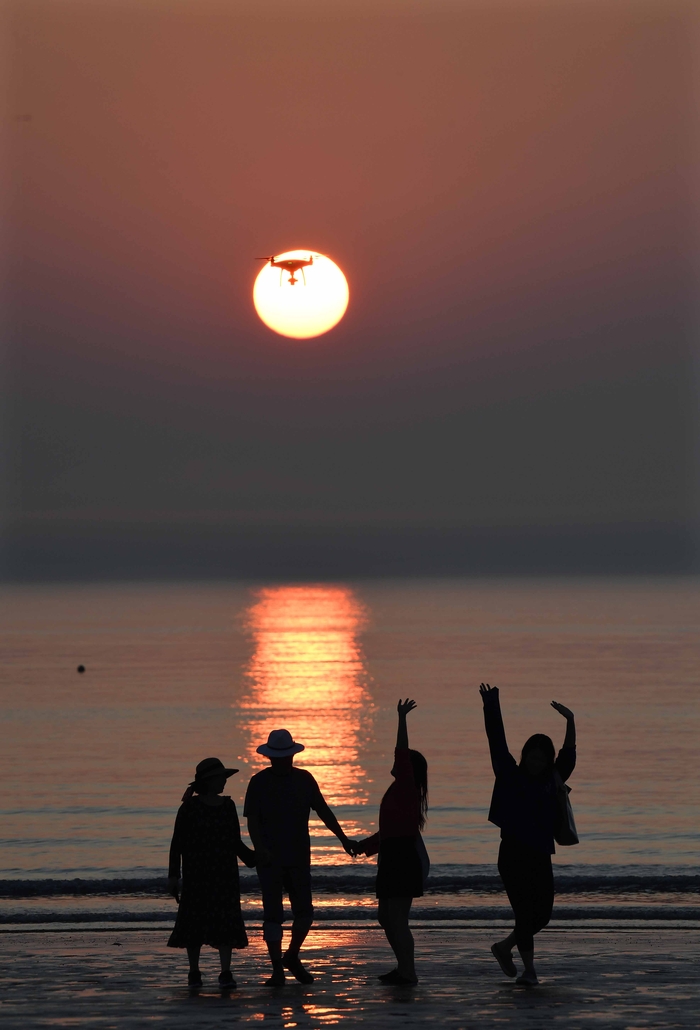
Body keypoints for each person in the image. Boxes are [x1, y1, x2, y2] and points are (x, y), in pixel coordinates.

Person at [244, 728, 358, 986]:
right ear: (270, 757)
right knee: (272, 915)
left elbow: (324, 811)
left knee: (305, 913)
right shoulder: (258, 781)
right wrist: (260, 848)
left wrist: (343, 839)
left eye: (285, 756)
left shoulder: (305, 779)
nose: (283, 761)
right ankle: (277, 969)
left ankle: (292, 955)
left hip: (298, 856)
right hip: (270, 860)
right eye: (278, 757)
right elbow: (252, 821)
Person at [479, 683, 576, 985]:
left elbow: (569, 757)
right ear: (524, 756)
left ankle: (504, 947)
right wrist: (491, 705)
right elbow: (496, 742)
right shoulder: (511, 775)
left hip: (540, 854)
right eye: (531, 757)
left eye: (541, 758)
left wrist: (571, 721)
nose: (536, 763)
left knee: (543, 915)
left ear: (548, 761)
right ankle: (529, 971)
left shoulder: (552, 779)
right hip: (512, 856)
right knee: (524, 913)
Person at [353, 699, 429, 986]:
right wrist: (365, 846)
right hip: (392, 855)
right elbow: (389, 831)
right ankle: (402, 968)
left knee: (396, 919)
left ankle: (408, 972)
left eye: (402, 761)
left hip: (402, 859)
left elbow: (401, 751)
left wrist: (401, 718)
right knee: (386, 917)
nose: (396, 762)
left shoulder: (407, 786)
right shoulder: (399, 791)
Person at [167, 757, 257, 990]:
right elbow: (177, 843)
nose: (224, 783)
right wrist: (173, 876)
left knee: (225, 921)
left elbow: (235, 842)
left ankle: (225, 971)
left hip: (224, 874)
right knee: (194, 923)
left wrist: (254, 860)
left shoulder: (228, 806)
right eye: (221, 778)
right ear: (209, 781)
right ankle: (194, 971)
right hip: (197, 874)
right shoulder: (188, 808)